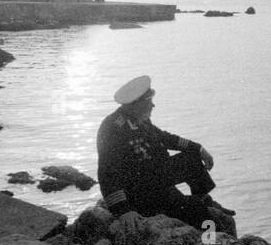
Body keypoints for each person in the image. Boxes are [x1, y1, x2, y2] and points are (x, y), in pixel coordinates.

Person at [96, 75, 236, 234]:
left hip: (155, 178)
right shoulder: (113, 129)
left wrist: (198, 148)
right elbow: (107, 172)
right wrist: (123, 210)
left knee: (191, 158)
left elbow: (163, 137)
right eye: (149, 102)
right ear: (136, 104)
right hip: (141, 193)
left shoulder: (137, 119)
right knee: (196, 210)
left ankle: (206, 201)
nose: (153, 105)